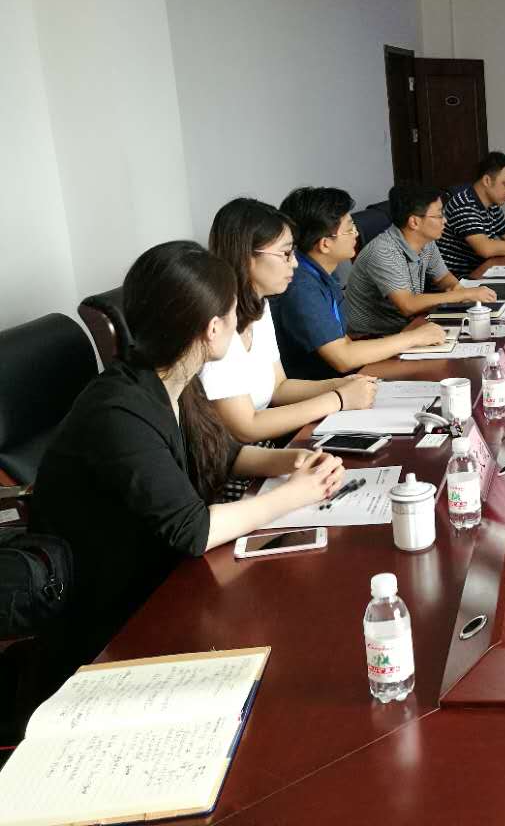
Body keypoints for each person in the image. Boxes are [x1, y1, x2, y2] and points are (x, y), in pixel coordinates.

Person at [31, 241, 346, 665]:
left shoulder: (175, 376)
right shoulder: (119, 410)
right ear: (212, 328)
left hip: (169, 574)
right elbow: (194, 531)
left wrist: (293, 462)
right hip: (117, 612)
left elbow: (224, 453)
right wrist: (295, 494)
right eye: (233, 311)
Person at [202, 198, 378, 444]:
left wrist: (340, 384)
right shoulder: (217, 323)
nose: (294, 263)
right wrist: (339, 399)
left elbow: (279, 388)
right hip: (234, 458)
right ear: (246, 257)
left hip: (264, 447)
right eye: (285, 253)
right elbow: (246, 427)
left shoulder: (258, 305)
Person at [274, 187, 447, 379]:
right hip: (323, 385)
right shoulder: (302, 288)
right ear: (325, 244)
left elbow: (343, 341)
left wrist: (412, 339)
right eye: (349, 229)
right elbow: (343, 358)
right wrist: (414, 338)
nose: (356, 234)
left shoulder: (323, 272)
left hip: (347, 373)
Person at [346, 182, 498, 336]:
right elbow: (408, 305)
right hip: (375, 338)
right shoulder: (383, 251)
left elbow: (444, 278)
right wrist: (464, 295)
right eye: (439, 215)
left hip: (409, 327)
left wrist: (461, 291)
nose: (445, 220)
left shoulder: (426, 242)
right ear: (414, 222)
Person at [437, 152, 505, 277]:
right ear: (487, 180)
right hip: (459, 280)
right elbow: (485, 249)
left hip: (481, 271)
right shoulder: (464, 205)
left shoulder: (491, 204)